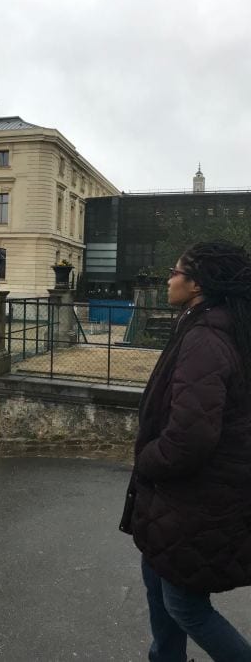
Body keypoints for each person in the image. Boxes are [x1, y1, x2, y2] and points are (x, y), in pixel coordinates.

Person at [121, 241, 251, 661]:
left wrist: (147, 459)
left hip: (194, 498)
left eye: (176, 271)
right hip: (183, 497)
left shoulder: (208, 336)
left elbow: (191, 438)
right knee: (158, 587)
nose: (169, 278)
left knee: (186, 606)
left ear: (196, 284)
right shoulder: (209, 323)